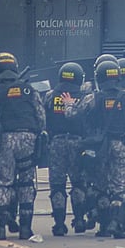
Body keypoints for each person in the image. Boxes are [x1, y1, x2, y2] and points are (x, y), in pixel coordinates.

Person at [69, 59, 125, 239]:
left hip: (99, 147)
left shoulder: (92, 98)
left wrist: (69, 104)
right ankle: (116, 224)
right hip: (121, 145)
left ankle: (103, 226)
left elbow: (73, 115)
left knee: (100, 186)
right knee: (119, 187)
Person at [0, 52, 44, 241]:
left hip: (4, 139)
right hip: (28, 138)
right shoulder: (29, 89)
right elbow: (41, 117)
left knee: (3, 183)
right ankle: (25, 228)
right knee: (26, 183)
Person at [45, 62, 88, 236]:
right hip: (78, 143)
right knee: (78, 182)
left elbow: (43, 118)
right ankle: (79, 219)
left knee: (57, 184)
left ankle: (59, 224)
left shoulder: (50, 95)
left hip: (56, 142)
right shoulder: (86, 96)